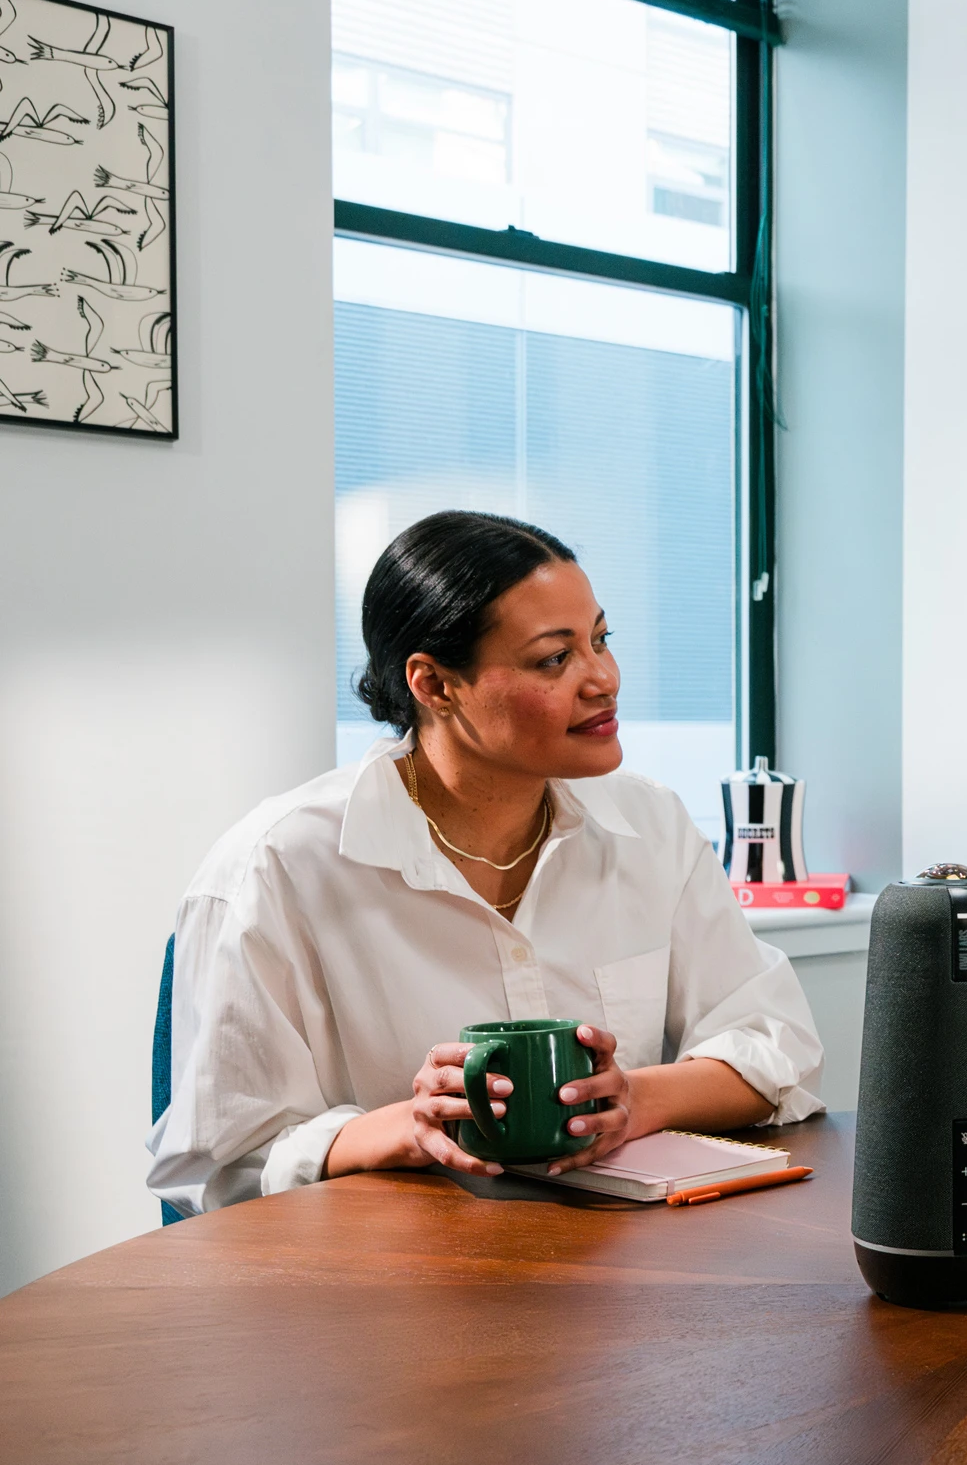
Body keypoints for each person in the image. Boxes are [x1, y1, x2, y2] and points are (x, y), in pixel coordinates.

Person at [149, 512, 824, 1214]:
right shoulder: (273, 870)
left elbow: (778, 1045)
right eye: (553, 659)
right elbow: (215, 1173)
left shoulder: (649, 824)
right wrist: (398, 1128)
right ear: (435, 685)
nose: (604, 680)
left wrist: (630, 1098)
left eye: (600, 640)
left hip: (622, 1273)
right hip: (387, 1293)